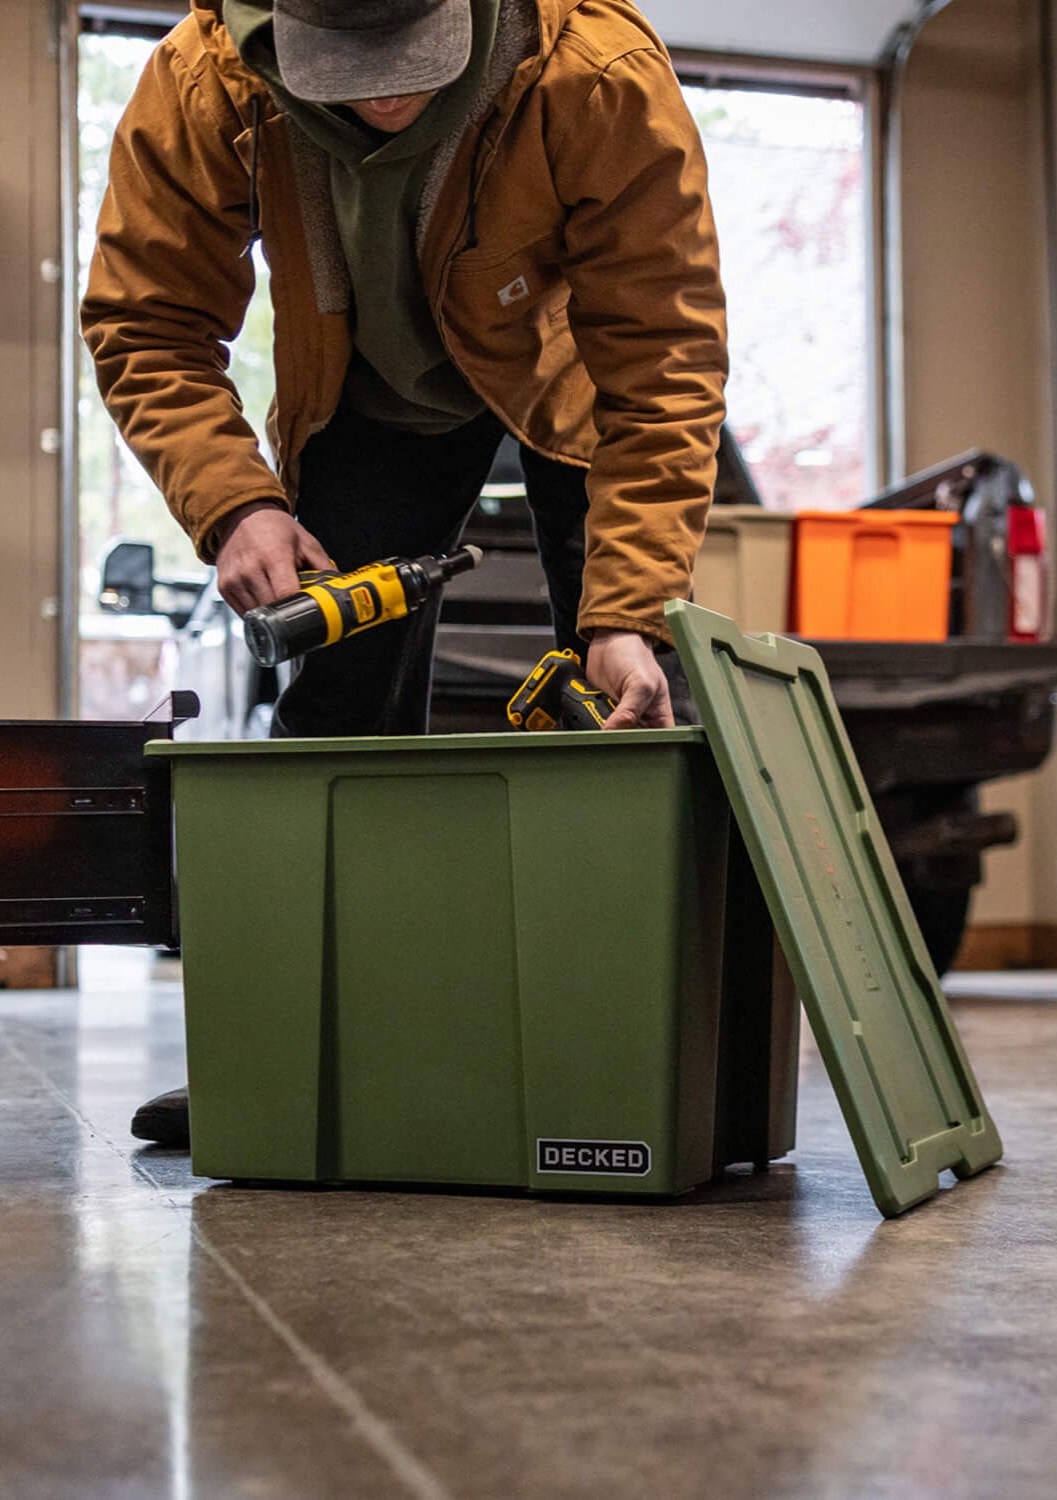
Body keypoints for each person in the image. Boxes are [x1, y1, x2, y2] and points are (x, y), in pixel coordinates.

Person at [82, 0, 726, 1145]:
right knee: (335, 708)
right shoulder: (207, 79)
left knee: (620, 709)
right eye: (351, 68)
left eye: (410, 61)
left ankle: (620, 1057)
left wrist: (626, 611)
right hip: (371, 398)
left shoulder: (595, 74)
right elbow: (148, 320)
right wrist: (236, 501)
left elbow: (664, 366)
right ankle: (300, 1057)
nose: (385, 97)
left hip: (565, 378)